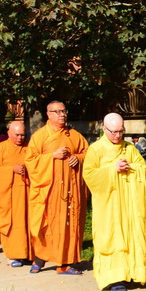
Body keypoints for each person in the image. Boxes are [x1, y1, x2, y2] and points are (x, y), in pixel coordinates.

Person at [82, 113, 146, 291]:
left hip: (130, 203)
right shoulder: (96, 149)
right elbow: (89, 175)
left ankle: (131, 273)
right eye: (113, 132)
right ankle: (114, 278)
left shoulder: (130, 148)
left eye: (121, 131)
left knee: (132, 235)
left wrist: (131, 167)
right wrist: (112, 169)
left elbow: (143, 169)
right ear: (104, 129)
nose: (117, 135)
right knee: (112, 237)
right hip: (108, 205)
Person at [26, 101, 88, 275]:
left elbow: (87, 153)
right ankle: (40, 258)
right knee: (47, 225)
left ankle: (65, 263)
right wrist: (52, 156)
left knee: (69, 225)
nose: (62, 114)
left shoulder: (74, 135)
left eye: (64, 111)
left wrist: (78, 158)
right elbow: (30, 161)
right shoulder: (40, 136)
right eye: (58, 112)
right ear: (49, 114)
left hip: (71, 191)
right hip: (49, 191)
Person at [0, 121, 32, 268]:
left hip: (27, 193)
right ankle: (14, 255)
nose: (20, 138)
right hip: (9, 195)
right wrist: (11, 169)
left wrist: (27, 169)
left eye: (23, 135)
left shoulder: (29, 147)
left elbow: (37, 165)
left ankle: (29, 254)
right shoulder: (0, 148)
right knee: (13, 224)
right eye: (17, 135)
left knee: (28, 222)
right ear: (8, 133)